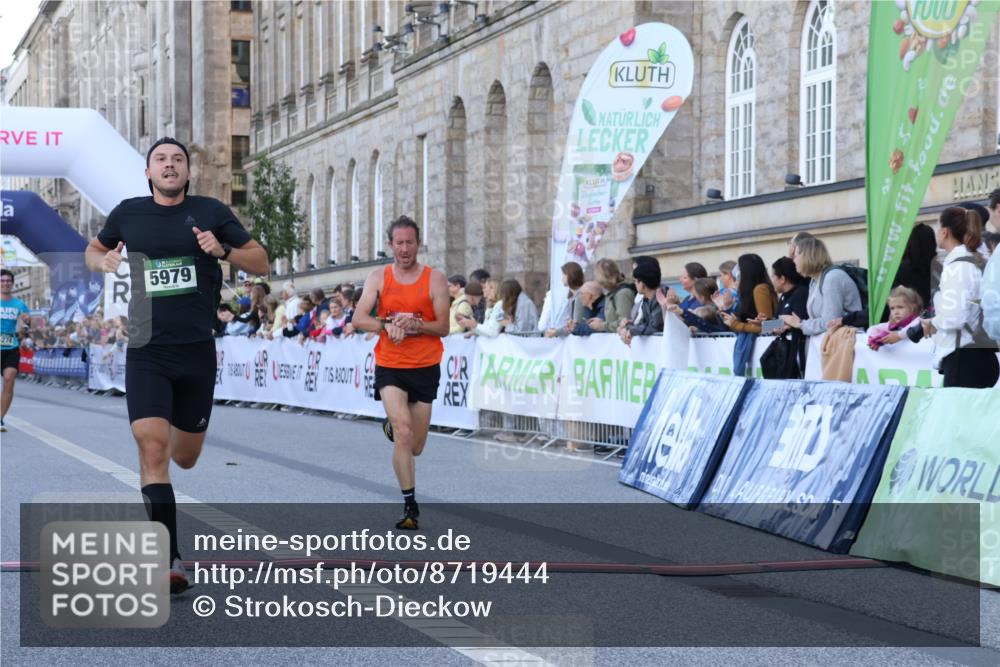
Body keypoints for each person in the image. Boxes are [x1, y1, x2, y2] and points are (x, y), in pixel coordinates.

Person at [84, 137, 269, 593]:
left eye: (177, 160)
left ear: (188, 172)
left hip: (195, 351)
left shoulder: (210, 213)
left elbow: (261, 261)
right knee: (152, 449)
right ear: (148, 172)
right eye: (161, 161)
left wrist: (222, 250)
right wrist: (102, 258)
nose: (169, 166)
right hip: (147, 349)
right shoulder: (128, 212)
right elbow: (92, 250)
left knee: (184, 457)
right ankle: (168, 557)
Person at [351, 216, 450, 530]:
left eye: (410, 242)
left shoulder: (435, 279)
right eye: (399, 243)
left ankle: (393, 427)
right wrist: (386, 325)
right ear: (390, 245)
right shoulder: (379, 277)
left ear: (418, 244)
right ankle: (410, 506)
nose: (404, 249)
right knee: (405, 432)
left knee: (415, 445)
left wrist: (417, 325)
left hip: (424, 366)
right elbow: (358, 319)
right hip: (390, 364)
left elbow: (444, 327)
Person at [920, 207, 999, 388]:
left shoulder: (959, 267)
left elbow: (954, 317)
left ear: (945, 231)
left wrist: (933, 323)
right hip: (975, 358)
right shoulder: (973, 262)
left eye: (938, 227)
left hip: (964, 360)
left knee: (957, 416)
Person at [780, 235, 862, 339]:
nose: (793, 261)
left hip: (846, 341)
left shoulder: (831, 278)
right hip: (832, 342)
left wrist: (800, 324)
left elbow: (829, 322)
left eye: (795, 256)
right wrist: (767, 325)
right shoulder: (814, 281)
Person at [1, 269, 31, 432]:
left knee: (8, 381)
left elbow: (27, 325)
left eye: (8, 281)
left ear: (12, 283)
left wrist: (27, 321)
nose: (5, 283)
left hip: (11, 347)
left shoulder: (20, 304)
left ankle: (0, 418)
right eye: (2, 280)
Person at [619, 256, 663, 344]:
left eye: (635, 281)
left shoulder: (660, 298)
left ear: (642, 284)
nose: (634, 284)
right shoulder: (646, 300)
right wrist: (628, 326)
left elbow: (654, 327)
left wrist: (631, 331)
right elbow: (643, 324)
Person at [866, 286, 923, 351]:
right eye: (892, 308)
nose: (895, 312)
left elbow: (915, 327)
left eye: (900, 307)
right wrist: (877, 339)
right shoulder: (892, 325)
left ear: (913, 308)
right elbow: (872, 329)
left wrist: (898, 336)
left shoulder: (920, 321)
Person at [591, 258, 635, 333]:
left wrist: (602, 325)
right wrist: (601, 321)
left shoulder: (622, 294)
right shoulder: (611, 293)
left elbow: (625, 323)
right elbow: (613, 319)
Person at [540, 261, 584, 336]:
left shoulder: (579, 296)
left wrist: (556, 332)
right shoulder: (573, 296)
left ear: (570, 275)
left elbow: (576, 325)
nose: (562, 277)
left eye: (564, 274)